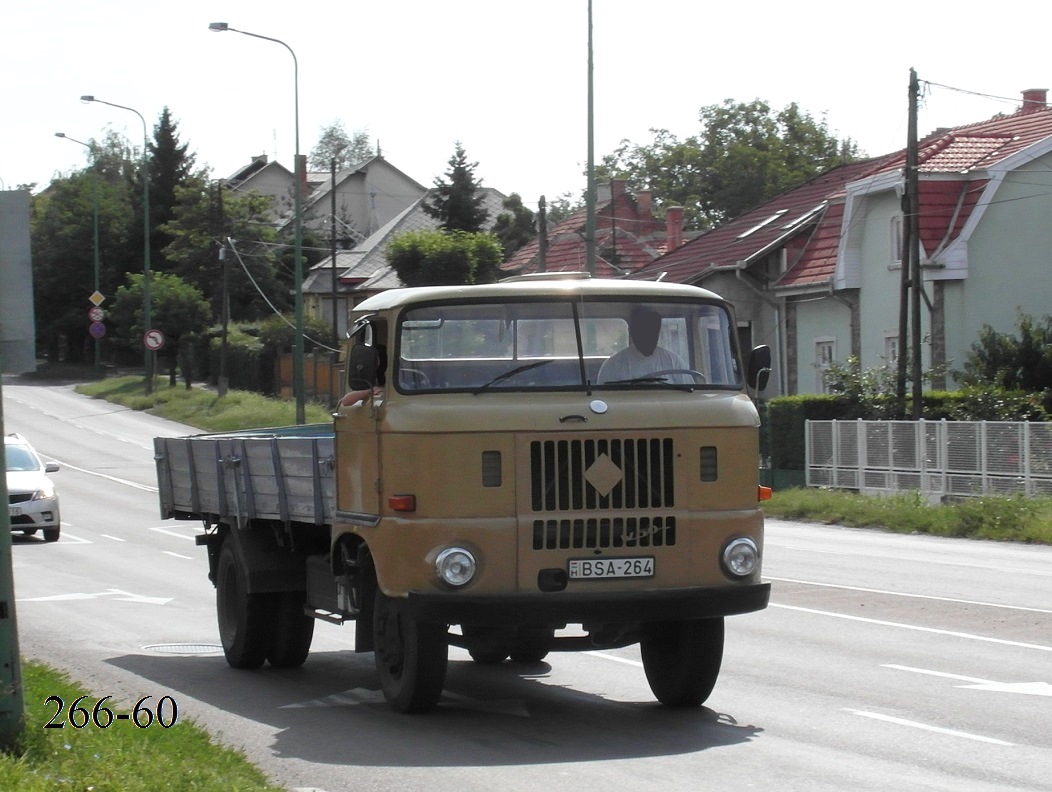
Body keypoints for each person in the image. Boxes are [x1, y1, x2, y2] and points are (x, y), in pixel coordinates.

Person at [597, 307, 691, 384]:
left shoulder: (674, 361)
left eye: (653, 331)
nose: (650, 337)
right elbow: (605, 402)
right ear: (632, 332)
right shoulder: (612, 366)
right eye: (644, 332)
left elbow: (690, 395)